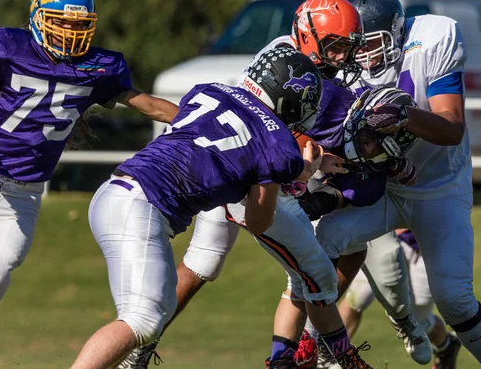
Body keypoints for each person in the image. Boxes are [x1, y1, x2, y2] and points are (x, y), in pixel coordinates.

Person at [118, 0, 428, 369]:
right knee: (292, 266)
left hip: (259, 170)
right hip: (256, 174)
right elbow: (279, 134)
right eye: (338, 47)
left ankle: (307, 348)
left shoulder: (313, 68)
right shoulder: (290, 63)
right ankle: (311, 351)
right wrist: (351, 159)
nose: (346, 58)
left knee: (229, 262)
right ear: (310, 36)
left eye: (350, 48)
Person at [0, 0, 179, 369]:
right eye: (61, 21)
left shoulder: (100, 67)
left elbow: (148, 105)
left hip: (24, 196)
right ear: (37, 15)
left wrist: (205, 117)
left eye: (79, 26)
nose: (69, 32)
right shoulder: (7, 48)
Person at [70, 47, 326, 369]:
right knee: (143, 321)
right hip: (142, 207)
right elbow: (259, 221)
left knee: (159, 310)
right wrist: (300, 176)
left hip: (115, 192)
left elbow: (165, 112)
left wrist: (124, 94)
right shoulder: (275, 143)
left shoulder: (215, 93)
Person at [312, 0, 481, 368]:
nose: (362, 56)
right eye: (355, 46)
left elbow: (451, 128)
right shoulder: (343, 68)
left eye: (370, 43)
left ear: (396, 33)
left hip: (438, 187)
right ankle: (307, 350)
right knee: (327, 238)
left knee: (453, 299)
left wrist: (404, 116)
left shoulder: (433, 38)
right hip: (384, 188)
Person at [338, 229, 462, 368]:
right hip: (384, 234)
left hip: (428, 248)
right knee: (360, 296)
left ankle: (447, 345)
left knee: (420, 321)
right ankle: (331, 357)